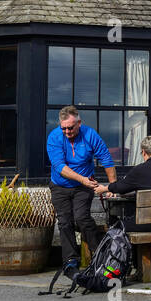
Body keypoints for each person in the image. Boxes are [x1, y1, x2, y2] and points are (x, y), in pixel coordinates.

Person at [47, 105, 117, 275]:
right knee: (65, 222)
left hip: (82, 187)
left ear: (79, 123)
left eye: (70, 127)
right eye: (63, 128)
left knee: (82, 218)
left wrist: (112, 187)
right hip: (60, 185)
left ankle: (101, 255)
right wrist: (82, 179)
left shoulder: (90, 134)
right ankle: (70, 261)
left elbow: (106, 160)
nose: (67, 131)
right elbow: (59, 166)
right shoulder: (55, 137)